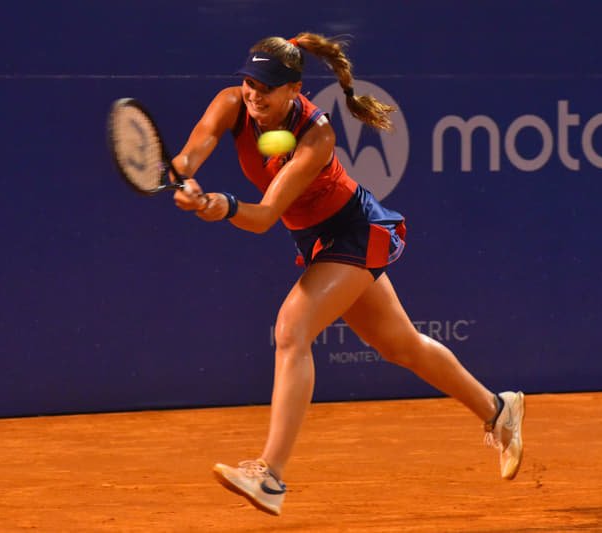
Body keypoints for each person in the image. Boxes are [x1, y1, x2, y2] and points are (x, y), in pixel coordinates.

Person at [171, 32, 525, 516]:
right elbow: (191, 153)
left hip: (356, 230)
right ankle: (498, 410)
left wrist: (223, 205)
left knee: (292, 329)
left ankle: (270, 474)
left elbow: (265, 216)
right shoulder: (231, 104)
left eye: (267, 87)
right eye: (250, 82)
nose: (254, 94)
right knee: (401, 345)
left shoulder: (317, 137)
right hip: (318, 241)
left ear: (294, 90)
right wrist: (186, 179)